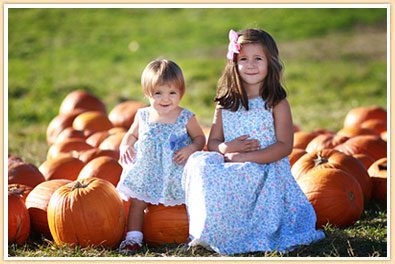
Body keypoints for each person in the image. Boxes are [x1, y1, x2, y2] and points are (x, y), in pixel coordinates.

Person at [182, 29, 325, 255]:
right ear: (234, 63)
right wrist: (227, 148)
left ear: (271, 63)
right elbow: (214, 142)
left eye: (258, 58)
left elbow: (284, 146)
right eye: (244, 59)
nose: (250, 65)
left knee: (246, 173)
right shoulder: (226, 102)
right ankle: (217, 229)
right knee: (200, 163)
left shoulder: (276, 102)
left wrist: (248, 157)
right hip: (231, 165)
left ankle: (249, 231)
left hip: (265, 169)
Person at [116, 59, 206, 253]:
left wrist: (190, 149)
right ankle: (133, 238)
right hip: (148, 169)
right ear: (147, 93)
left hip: (176, 168)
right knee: (137, 203)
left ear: (181, 92)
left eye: (172, 93)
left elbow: (200, 138)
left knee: (186, 202)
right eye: (158, 93)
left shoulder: (185, 117)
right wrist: (125, 146)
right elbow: (131, 134)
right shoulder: (143, 116)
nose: (165, 99)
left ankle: (193, 235)